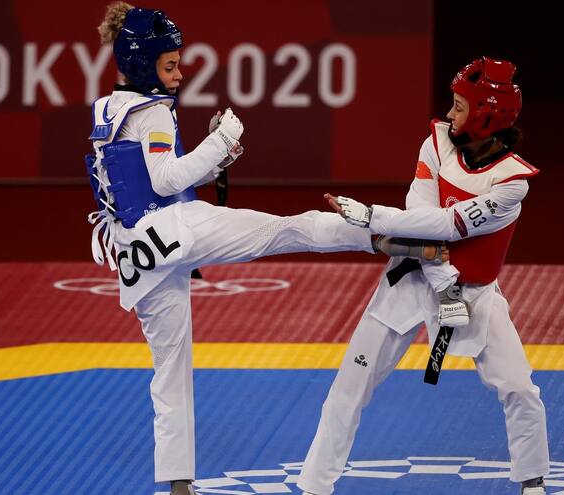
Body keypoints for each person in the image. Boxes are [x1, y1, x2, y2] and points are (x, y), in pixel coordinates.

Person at [83, 4, 439, 493]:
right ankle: (390, 237)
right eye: (170, 65)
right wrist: (224, 139)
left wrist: (213, 155)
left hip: (135, 254)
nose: (179, 73)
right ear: (144, 65)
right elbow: (168, 182)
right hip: (176, 228)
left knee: (169, 370)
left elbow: (146, 180)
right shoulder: (154, 112)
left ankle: (177, 484)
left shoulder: (107, 108)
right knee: (287, 230)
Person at [297, 57, 549, 495]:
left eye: (459, 107)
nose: (450, 114)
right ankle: (315, 487)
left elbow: (449, 225)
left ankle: (533, 484)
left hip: (474, 296)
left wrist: (371, 216)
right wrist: (438, 274)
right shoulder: (436, 142)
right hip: (410, 281)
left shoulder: (513, 183)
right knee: (347, 389)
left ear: (487, 117)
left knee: (520, 389)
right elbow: (420, 215)